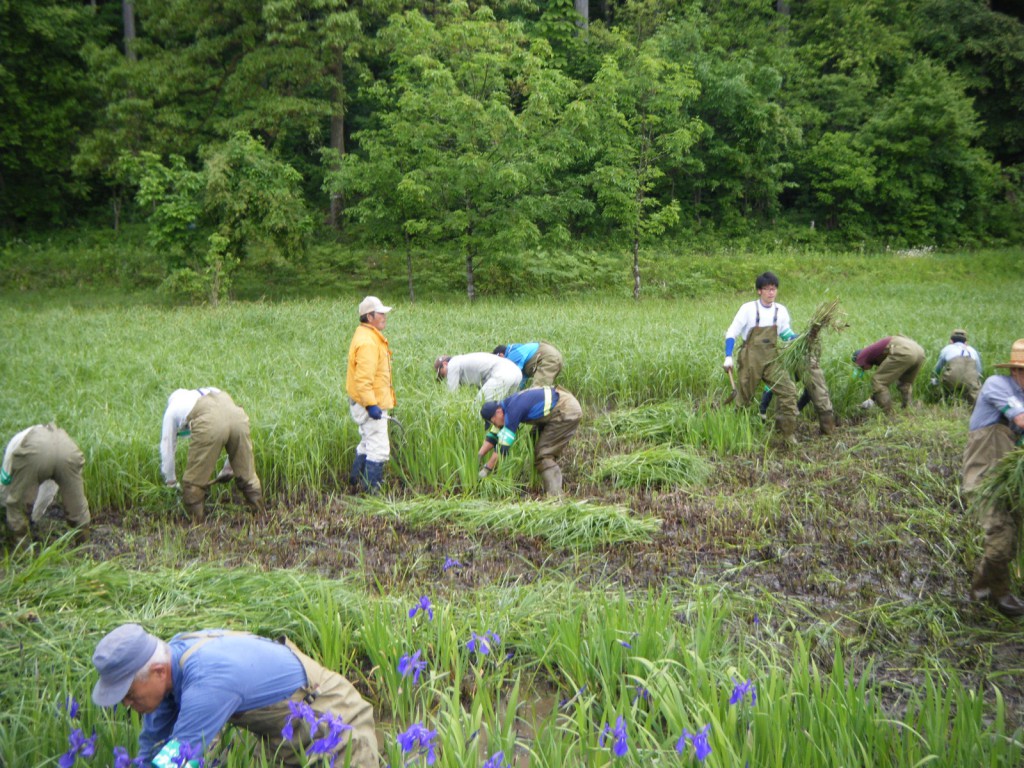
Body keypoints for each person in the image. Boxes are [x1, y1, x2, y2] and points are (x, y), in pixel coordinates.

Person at [91, 623, 379, 767]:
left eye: (128, 693)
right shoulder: (171, 659)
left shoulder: (206, 683)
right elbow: (153, 745)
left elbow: (176, 760)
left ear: (156, 671)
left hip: (335, 722)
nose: (127, 704)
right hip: (281, 735)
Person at [962, 339, 1024, 617]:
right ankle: (992, 593)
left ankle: (990, 591)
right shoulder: (997, 385)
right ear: (1015, 371)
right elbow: (1021, 420)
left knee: (1010, 538)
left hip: (1009, 478)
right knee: (1000, 537)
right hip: (985, 474)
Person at [723, 271, 802, 442]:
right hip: (750, 358)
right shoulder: (748, 309)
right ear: (759, 291)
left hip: (772, 358)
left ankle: (787, 433)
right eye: (767, 289)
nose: (771, 293)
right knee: (744, 398)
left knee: (789, 391)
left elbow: (785, 333)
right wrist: (728, 356)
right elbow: (732, 332)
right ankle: (735, 432)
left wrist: (799, 338)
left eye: (774, 289)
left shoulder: (780, 311)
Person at [161, 387, 263, 519]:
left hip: (209, 420)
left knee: (193, 484)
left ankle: (196, 526)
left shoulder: (172, 410)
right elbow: (229, 426)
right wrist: (229, 468)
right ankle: (260, 515)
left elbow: (167, 447)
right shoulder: (209, 391)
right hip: (237, 415)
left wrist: (171, 482)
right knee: (248, 476)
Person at [478, 385, 582, 496]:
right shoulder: (505, 407)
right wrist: (478, 456)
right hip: (554, 409)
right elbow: (493, 436)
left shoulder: (513, 410)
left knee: (543, 454)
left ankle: (555, 497)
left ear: (498, 412)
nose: (495, 425)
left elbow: (502, 449)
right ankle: (539, 482)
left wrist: (486, 470)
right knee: (531, 444)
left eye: (493, 422)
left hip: (566, 410)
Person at [1, 423, 90, 544]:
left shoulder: (13, 449)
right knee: (77, 506)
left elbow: (5, 485)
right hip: (68, 450)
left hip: (35, 451)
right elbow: (49, 490)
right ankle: (84, 546)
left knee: (17, 505)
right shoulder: (30, 436)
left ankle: (23, 550)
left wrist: (17, 512)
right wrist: (36, 514)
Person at [347, 296, 395, 493]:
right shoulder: (368, 342)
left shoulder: (368, 337)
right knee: (378, 448)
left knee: (367, 443)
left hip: (365, 401)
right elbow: (363, 379)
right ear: (369, 316)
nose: (384, 316)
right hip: (369, 403)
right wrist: (371, 405)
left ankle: (355, 483)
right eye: (380, 313)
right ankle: (372, 491)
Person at [851, 335, 926, 415]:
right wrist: (872, 399)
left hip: (904, 351)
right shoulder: (876, 353)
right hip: (919, 352)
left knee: (877, 381)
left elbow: (859, 372)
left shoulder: (862, 354)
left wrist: (854, 378)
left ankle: (889, 414)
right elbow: (887, 380)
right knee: (905, 383)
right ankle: (908, 409)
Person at [434, 353, 522, 401]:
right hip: (516, 372)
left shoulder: (452, 364)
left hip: (502, 374)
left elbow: (452, 394)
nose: (445, 377)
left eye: (442, 374)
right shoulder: (464, 361)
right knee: (505, 409)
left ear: (445, 364)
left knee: (478, 407)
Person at [932, 329, 982, 404]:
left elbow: (937, 370)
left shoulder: (947, 349)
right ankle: (971, 405)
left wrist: (934, 379)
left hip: (952, 379)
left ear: (951, 341)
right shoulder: (973, 350)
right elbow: (979, 370)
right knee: (974, 394)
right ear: (966, 342)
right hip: (970, 379)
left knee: (937, 382)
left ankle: (943, 401)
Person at [492, 342, 563, 387]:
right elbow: (521, 379)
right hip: (553, 355)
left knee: (538, 390)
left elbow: (511, 377)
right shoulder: (518, 349)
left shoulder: (513, 355)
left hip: (548, 358)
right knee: (544, 389)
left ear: (501, 355)